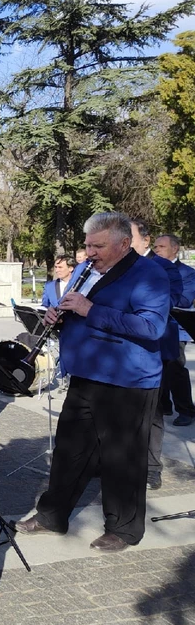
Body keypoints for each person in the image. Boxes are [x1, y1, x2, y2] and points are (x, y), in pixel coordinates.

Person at [15, 212, 170, 552]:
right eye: (87, 245)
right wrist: (58, 316)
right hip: (85, 374)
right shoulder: (87, 271)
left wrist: (89, 310)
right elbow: (75, 310)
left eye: (98, 246)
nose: (89, 252)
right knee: (70, 451)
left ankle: (124, 529)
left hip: (127, 381)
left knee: (121, 458)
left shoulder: (149, 274)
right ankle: (52, 515)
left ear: (124, 244)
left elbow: (151, 328)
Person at [130, 219, 184, 490]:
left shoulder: (163, 267)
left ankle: (152, 468)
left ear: (145, 241)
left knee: (153, 411)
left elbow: (175, 299)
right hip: (122, 349)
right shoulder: (117, 266)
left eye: (129, 236)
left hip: (156, 348)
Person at [154, 234, 195, 427]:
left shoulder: (186, 273)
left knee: (175, 368)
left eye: (162, 246)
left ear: (175, 249)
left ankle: (185, 410)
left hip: (176, 328)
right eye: (155, 247)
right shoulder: (151, 268)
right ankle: (164, 405)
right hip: (154, 326)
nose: (157, 250)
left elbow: (185, 300)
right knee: (157, 367)